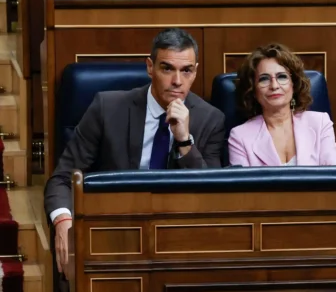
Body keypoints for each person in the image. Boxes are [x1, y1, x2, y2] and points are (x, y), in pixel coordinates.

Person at [45, 27, 225, 274]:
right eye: (167, 68)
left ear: (195, 71)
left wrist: (184, 141)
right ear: (150, 67)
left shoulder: (210, 119)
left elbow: (213, 196)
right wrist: (63, 221)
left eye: (186, 71)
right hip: (114, 229)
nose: (177, 81)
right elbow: (62, 179)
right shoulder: (107, 108)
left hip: (178, 236)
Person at [227, 43, 336, 167]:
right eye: (264, 79)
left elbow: (332, 180)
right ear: (253, 89)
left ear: (293, 84)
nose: (274, 86)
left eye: (282, 77)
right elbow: (243, 186)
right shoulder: (240, 137)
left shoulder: (320, 123)